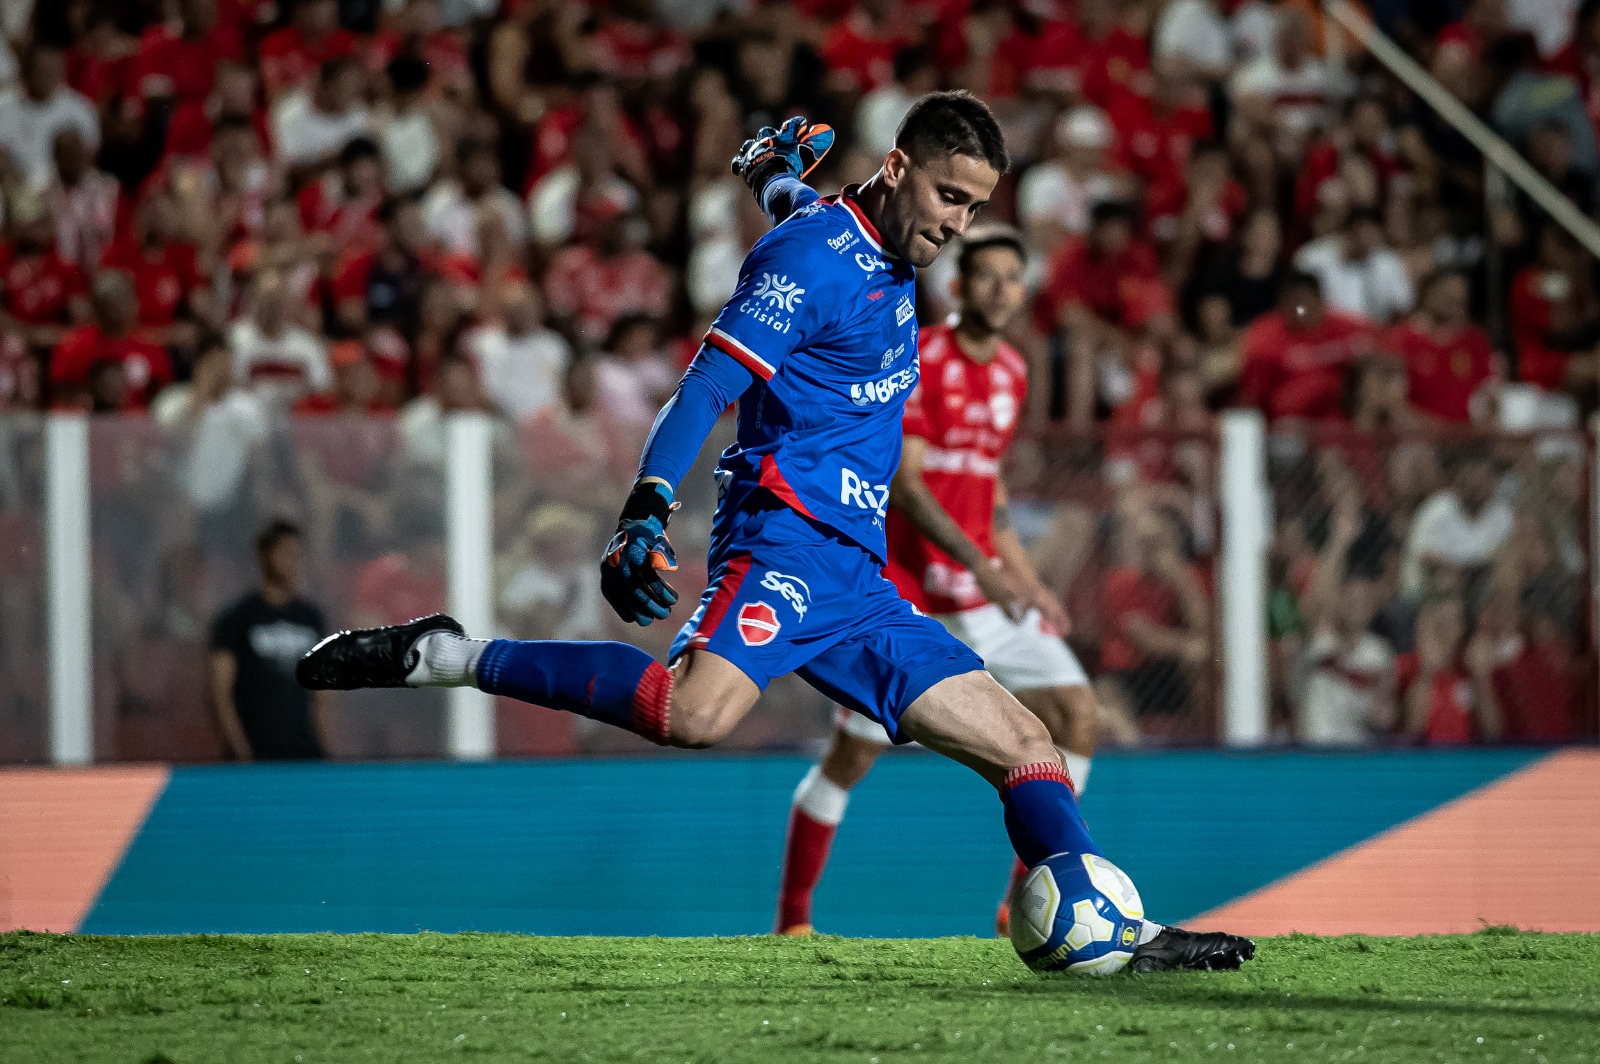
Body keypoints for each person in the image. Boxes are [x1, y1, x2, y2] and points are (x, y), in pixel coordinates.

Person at [298, 96, 1253, 972]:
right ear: (898, 166)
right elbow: (710, 383)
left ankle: (1117, 930)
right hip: (783, 540)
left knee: (1029, 744)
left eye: (972, 208)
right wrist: (646, 507)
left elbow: (812, 207)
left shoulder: (876, 240)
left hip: (858, 576)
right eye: (948, 197)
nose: (955, 225)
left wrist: (767, 174)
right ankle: (448, 655)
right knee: (693, 716)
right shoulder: (813, 258)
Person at [769, 226, 1105, 937]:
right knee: (853, 754)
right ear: (957, 287)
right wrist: (982, 562)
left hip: (982, 594)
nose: (1001, 289)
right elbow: (909, 484)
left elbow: (992, 494)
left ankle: (1022, 904)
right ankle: (793, 921)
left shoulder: (1012, 371)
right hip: (909, 597)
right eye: (987, 276)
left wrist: (1029, 580)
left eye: (1014, 277)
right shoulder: (919, 357)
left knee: (1078, 716)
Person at [209, 520, 331, 760]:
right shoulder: (237, 618)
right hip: (256, 752)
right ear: (265, 554)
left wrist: (324, 745)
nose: (292, 561)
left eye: (296, 554)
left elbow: (323, 693)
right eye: (285, 553)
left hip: (305, 752)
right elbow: (219, 691)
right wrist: (240, 750)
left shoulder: (310, 617)